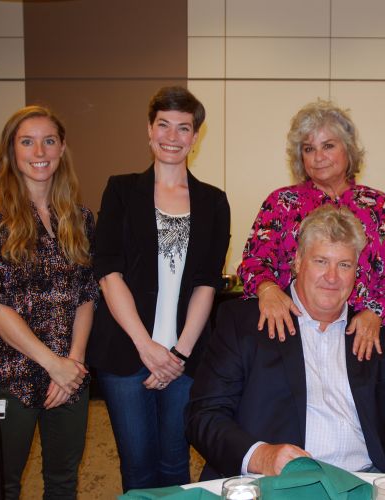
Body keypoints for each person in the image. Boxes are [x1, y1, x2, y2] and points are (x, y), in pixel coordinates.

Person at [186, 205, 385, 480]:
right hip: (273, 484)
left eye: (344, 265)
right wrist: (260, 455)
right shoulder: (244, 324)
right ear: (298, 261)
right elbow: (205, 415)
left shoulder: (377, 336)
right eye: (321, 261)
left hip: (362, 480)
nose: (332, 277)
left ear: (356, 271)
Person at [88, 86, 230, 491]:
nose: (172, 136)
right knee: (137, 471)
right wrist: (146, 346)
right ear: (149, 131)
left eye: (183, 128)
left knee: (175, 468)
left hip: (184, 361)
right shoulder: (120, 189)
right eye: (163, 125)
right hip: (125, 354)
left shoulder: (214, 201)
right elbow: (108, 272)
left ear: (195, 137)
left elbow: (207, 281)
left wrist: (178, 352)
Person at [0, 105, 97, 499]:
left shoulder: (79, 217)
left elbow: (87, 295)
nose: (39, 150)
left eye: (49, 140)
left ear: (61, 150)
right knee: (0, 482)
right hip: (10, 376)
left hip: (69, 378)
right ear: (12, 151)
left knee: (63, 482)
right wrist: (52, 363)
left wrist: (72, 362)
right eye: (27, 141)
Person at [237, 100, 385, 361]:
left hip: (360, 339)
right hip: (290, 334)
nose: (318, 157)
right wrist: (267, 290)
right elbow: (253, 262)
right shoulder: (280, 204)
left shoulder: (381, 207)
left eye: (328, 145)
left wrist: (375, 313)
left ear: (348, 150)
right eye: (309, 149)